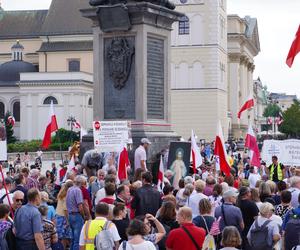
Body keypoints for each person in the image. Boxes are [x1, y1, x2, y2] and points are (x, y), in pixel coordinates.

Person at [66, 175, 86, 250]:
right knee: (77, 240)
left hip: (70, 215)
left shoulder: (69, 189)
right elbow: (80, 206)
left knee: (73, 239)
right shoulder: (78, 190)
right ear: (81, 183)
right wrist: (83, 216)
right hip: (77, 215)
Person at [56, 180, 73, 249]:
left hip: (58, 215)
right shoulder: (66, 196)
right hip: (63, 217)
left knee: (62, 236)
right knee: (65, 236)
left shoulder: (61, 193)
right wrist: (68, 220)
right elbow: (65, 209)